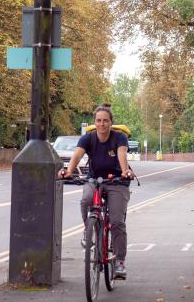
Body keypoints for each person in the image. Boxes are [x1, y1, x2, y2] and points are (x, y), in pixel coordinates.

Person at [59, 103, 134, 279]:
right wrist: (69, 171)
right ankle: (88, 228)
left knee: (116, 221)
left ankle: (120, 262)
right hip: (94, 179)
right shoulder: (88, 138)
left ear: (111, 122)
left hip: (117, 181)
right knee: (86, 199)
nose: (102, 124)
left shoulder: (119, 137)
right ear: (95, 122)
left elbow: (122, 154)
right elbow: (77, 156)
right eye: (99, 121)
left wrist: (124, 171)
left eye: (105, 121)